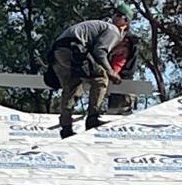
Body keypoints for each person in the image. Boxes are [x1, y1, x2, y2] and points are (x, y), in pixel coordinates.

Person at [47, 10, 129, 138]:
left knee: (72, 86)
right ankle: (93, 118)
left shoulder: (98, 25)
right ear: (125, 23)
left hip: (57, 52)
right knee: (101, 79)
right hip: (74, 49)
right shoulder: (113, 30)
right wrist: (111, 72)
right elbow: (100, 52)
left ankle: (66, 128)